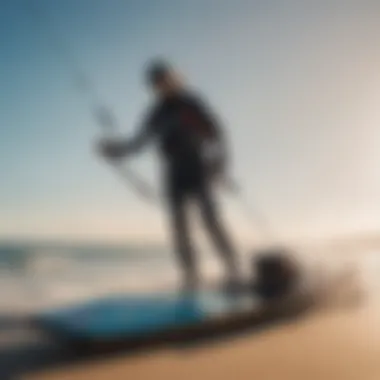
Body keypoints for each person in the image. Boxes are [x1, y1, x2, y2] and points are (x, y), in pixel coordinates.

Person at [98, 59, 239, 291]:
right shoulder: (155, 114)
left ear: (174, 79)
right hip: (173, 173)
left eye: (164, 79)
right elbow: (137, 143)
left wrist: (220, 164)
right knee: (179, 227)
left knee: (210, 220)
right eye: (156, 83)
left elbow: (217, 133)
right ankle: (191, 276)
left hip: (198, 168)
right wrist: (113, 151)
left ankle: (232, 269)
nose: (161, 85)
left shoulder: (191, 103)